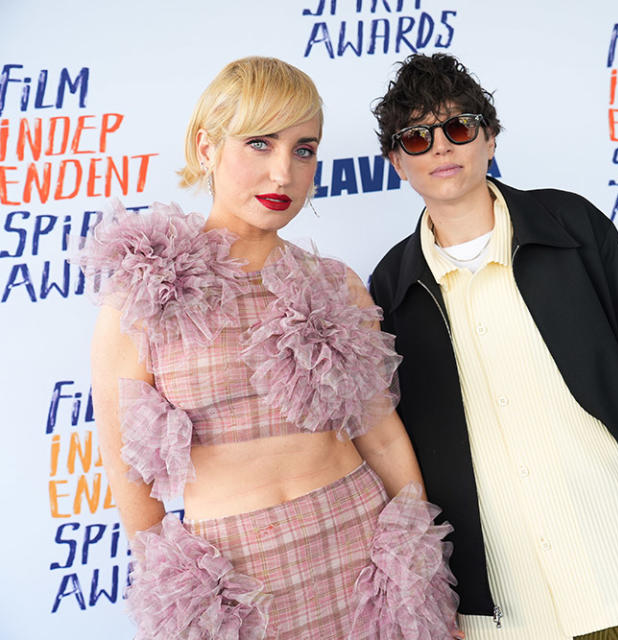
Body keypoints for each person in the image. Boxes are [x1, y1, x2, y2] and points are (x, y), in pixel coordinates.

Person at [76, 56, 459, 640]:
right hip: (241, 583)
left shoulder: (336, 283)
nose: (283, 173)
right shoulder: (141, 298)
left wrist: (420, 574)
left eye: (304, 149)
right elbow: (129, 477)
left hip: (362, 549)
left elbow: (380, 434)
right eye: (259, 143)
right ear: (206, 148)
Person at [368, 53, 618, 640]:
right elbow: (392, 452)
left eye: (458, 127)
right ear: (396, 162)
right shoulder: (389, 289)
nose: (441, 149)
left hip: (617, 569)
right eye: (417, 137)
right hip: (495, 606)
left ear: (490, 136)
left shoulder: (573, 228)